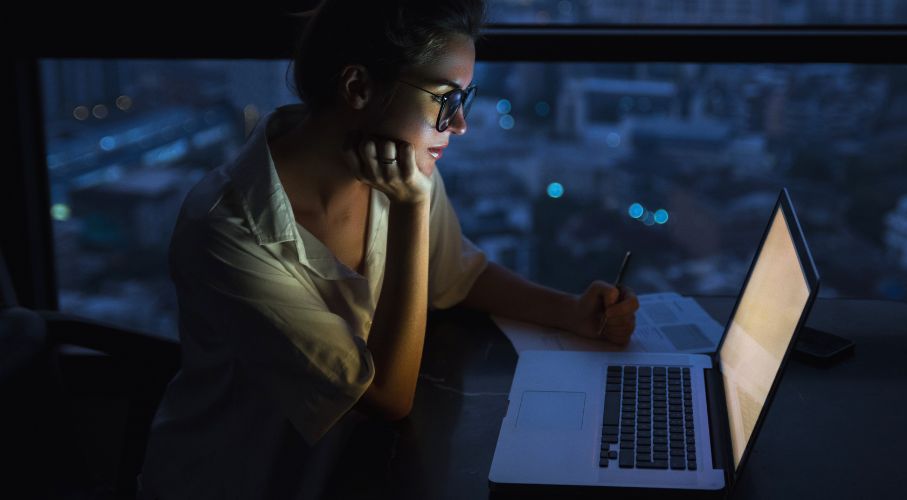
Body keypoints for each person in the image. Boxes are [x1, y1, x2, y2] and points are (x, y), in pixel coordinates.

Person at [139, 0, 640, 498]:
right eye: (445, 98)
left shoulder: (403, 167)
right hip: (240, 480)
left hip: (350, 466)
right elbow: (383, 396)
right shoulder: (227, 229)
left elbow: (455, 274)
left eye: (464, 98)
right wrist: (409, 211)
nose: (460, 123)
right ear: (358, 87)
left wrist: (571, 312)